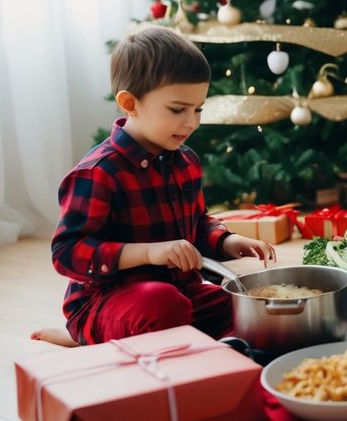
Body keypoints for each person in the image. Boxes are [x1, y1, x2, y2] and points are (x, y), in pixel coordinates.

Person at [36, 27, 275, 347]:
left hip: (182, 292)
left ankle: (206, 349)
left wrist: (226, 240)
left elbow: (196, 224)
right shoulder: (98, 174)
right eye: (178, 110)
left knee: (250, 307)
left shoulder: (186, 162)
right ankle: (86, 338)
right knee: (165, 305)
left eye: (198, 109)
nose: (191, 122)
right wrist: (148, 252)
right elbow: (67, 254)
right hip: (108, 301)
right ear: (130, 103)